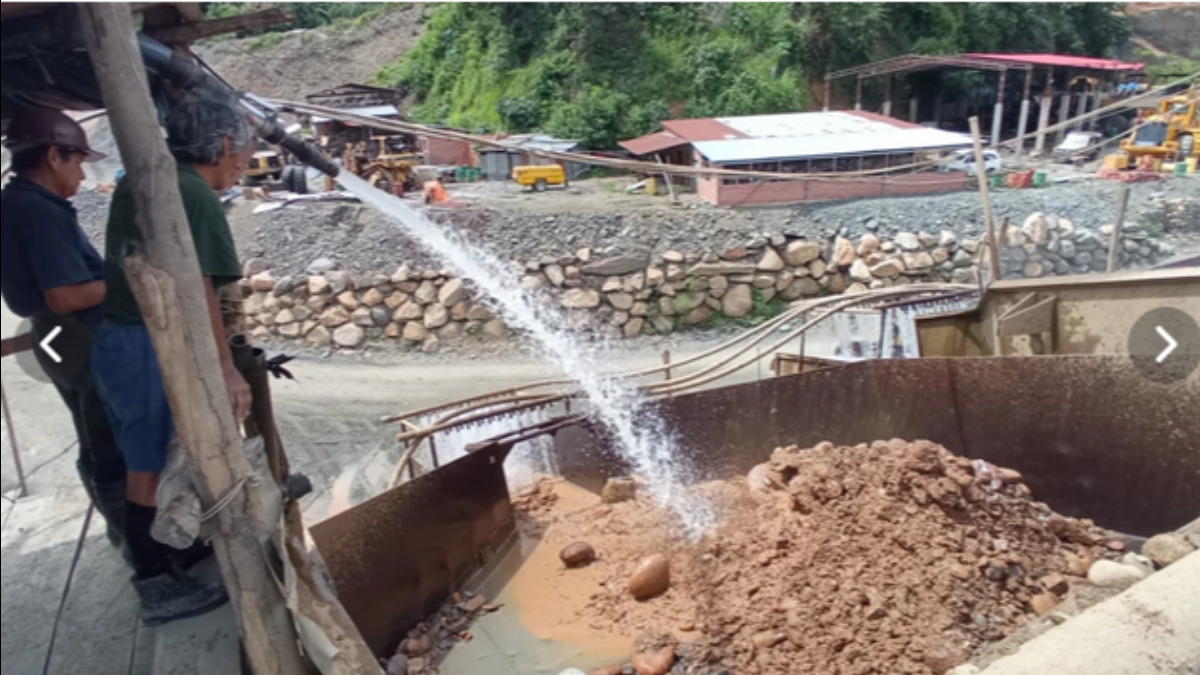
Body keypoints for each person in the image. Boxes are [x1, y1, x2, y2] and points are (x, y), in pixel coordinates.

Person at [91, 99, 254, 625]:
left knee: (153, 459)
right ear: (226, 145)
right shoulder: (192, 193)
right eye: (246, 154)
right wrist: (226, 369)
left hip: (119, 341)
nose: (245, 166)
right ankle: (156, 585)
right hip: (144, 345)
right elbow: (199, 286)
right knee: (148, 470)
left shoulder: (138, 179)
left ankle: (175, 551)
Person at [0, 108, 129, 554]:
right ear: (54, 156)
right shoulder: (37, 211)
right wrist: (129, 277)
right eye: (76, 162)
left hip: (55, 337)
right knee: (112, 445)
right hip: (77, 333)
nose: (80, 173)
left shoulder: (15, 202)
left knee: (94, 437)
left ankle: (126, 535)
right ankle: (150, 567)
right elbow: (65, 296)